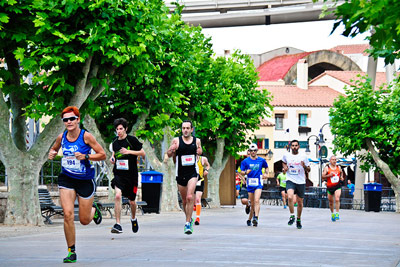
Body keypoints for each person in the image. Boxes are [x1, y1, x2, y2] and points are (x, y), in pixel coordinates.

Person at [48, 106, 106, 263]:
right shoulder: (62, 137)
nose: (69, 122)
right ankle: (71, 252)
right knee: (67, 214)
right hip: (67, 178)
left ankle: (94, 209)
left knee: (84, 220)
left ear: (78, 119)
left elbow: (102, 154)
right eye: (65, 119)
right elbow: (53, 150)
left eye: (72, 118)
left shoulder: (86, 136)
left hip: (85, 180)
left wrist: (86, 156)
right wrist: (52, 153)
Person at [109, 118, 145, 234]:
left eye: (121, 129)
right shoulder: (114, 142)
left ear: (125, 129)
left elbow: (143, 154)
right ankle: (118, 224)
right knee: (118, 196)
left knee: (132, 202)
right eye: (117, 129)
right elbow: (114, 154)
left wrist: (129, 152)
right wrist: (112, 158)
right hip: (119, 174)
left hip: (131, 176)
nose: (119, 131)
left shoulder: (132, 140)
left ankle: (133, 218)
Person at [167, 120, 202, 234]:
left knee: (189, 196)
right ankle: (189, 218)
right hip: (180, 173)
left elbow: (200, 151)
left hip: (192, 172)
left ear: (192, 130)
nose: (185, 130)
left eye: (188, 128)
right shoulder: (176, 140)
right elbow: (168, 154)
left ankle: (187, 224)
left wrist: (199, 150)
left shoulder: (197, 141)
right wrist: (171, 149)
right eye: (183, 128)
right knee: (184, 201)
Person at [282, 140, 310, 230]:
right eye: (293, 145)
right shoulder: (286, 155)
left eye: (296, 145)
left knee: (300, 202)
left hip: (301, 181)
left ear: (299, 146)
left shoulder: (303, 156)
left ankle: (298, 219)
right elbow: (283, 162)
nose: (294, 147)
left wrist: (304, 166)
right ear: (290, 147)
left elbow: (309, 169)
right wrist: (285, 167)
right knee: (290, 197)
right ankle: (292, 215)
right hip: (290, 179)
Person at [240, 143, 269, 227]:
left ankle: (256, 217)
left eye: (254, 150)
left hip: (258, 183)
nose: (253, 152)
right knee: (252, 203)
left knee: (256, 200)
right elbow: (241, 171)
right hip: (250, 183)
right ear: (249, 151)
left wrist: (266, 174)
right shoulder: (245, 161)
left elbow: (266, 167)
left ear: (257, 151)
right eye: (251, 151)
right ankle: (249, 218)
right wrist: (245, 172)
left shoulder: (261, 160)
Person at [322, 155, 344, 222]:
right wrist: (329, 175)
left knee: (337, 199)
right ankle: (332, 214)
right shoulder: (327, 168)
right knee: (331, 202)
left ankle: (337, 213)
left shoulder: (338, 167)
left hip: (337, 186)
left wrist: (341, 177)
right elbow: (322, 176)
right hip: (330, 186)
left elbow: (341, 172)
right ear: (330, 161)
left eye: (335, 160)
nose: (334, 161)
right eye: (333, 159)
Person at [193, 155, 210, 225]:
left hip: (200, 180)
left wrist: (206, 170)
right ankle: (193, 210)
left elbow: (208, 165)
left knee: (197, 199)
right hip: (191, 181)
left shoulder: (202, 159)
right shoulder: (189, 158)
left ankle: (197, 218)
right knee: (191, 200)